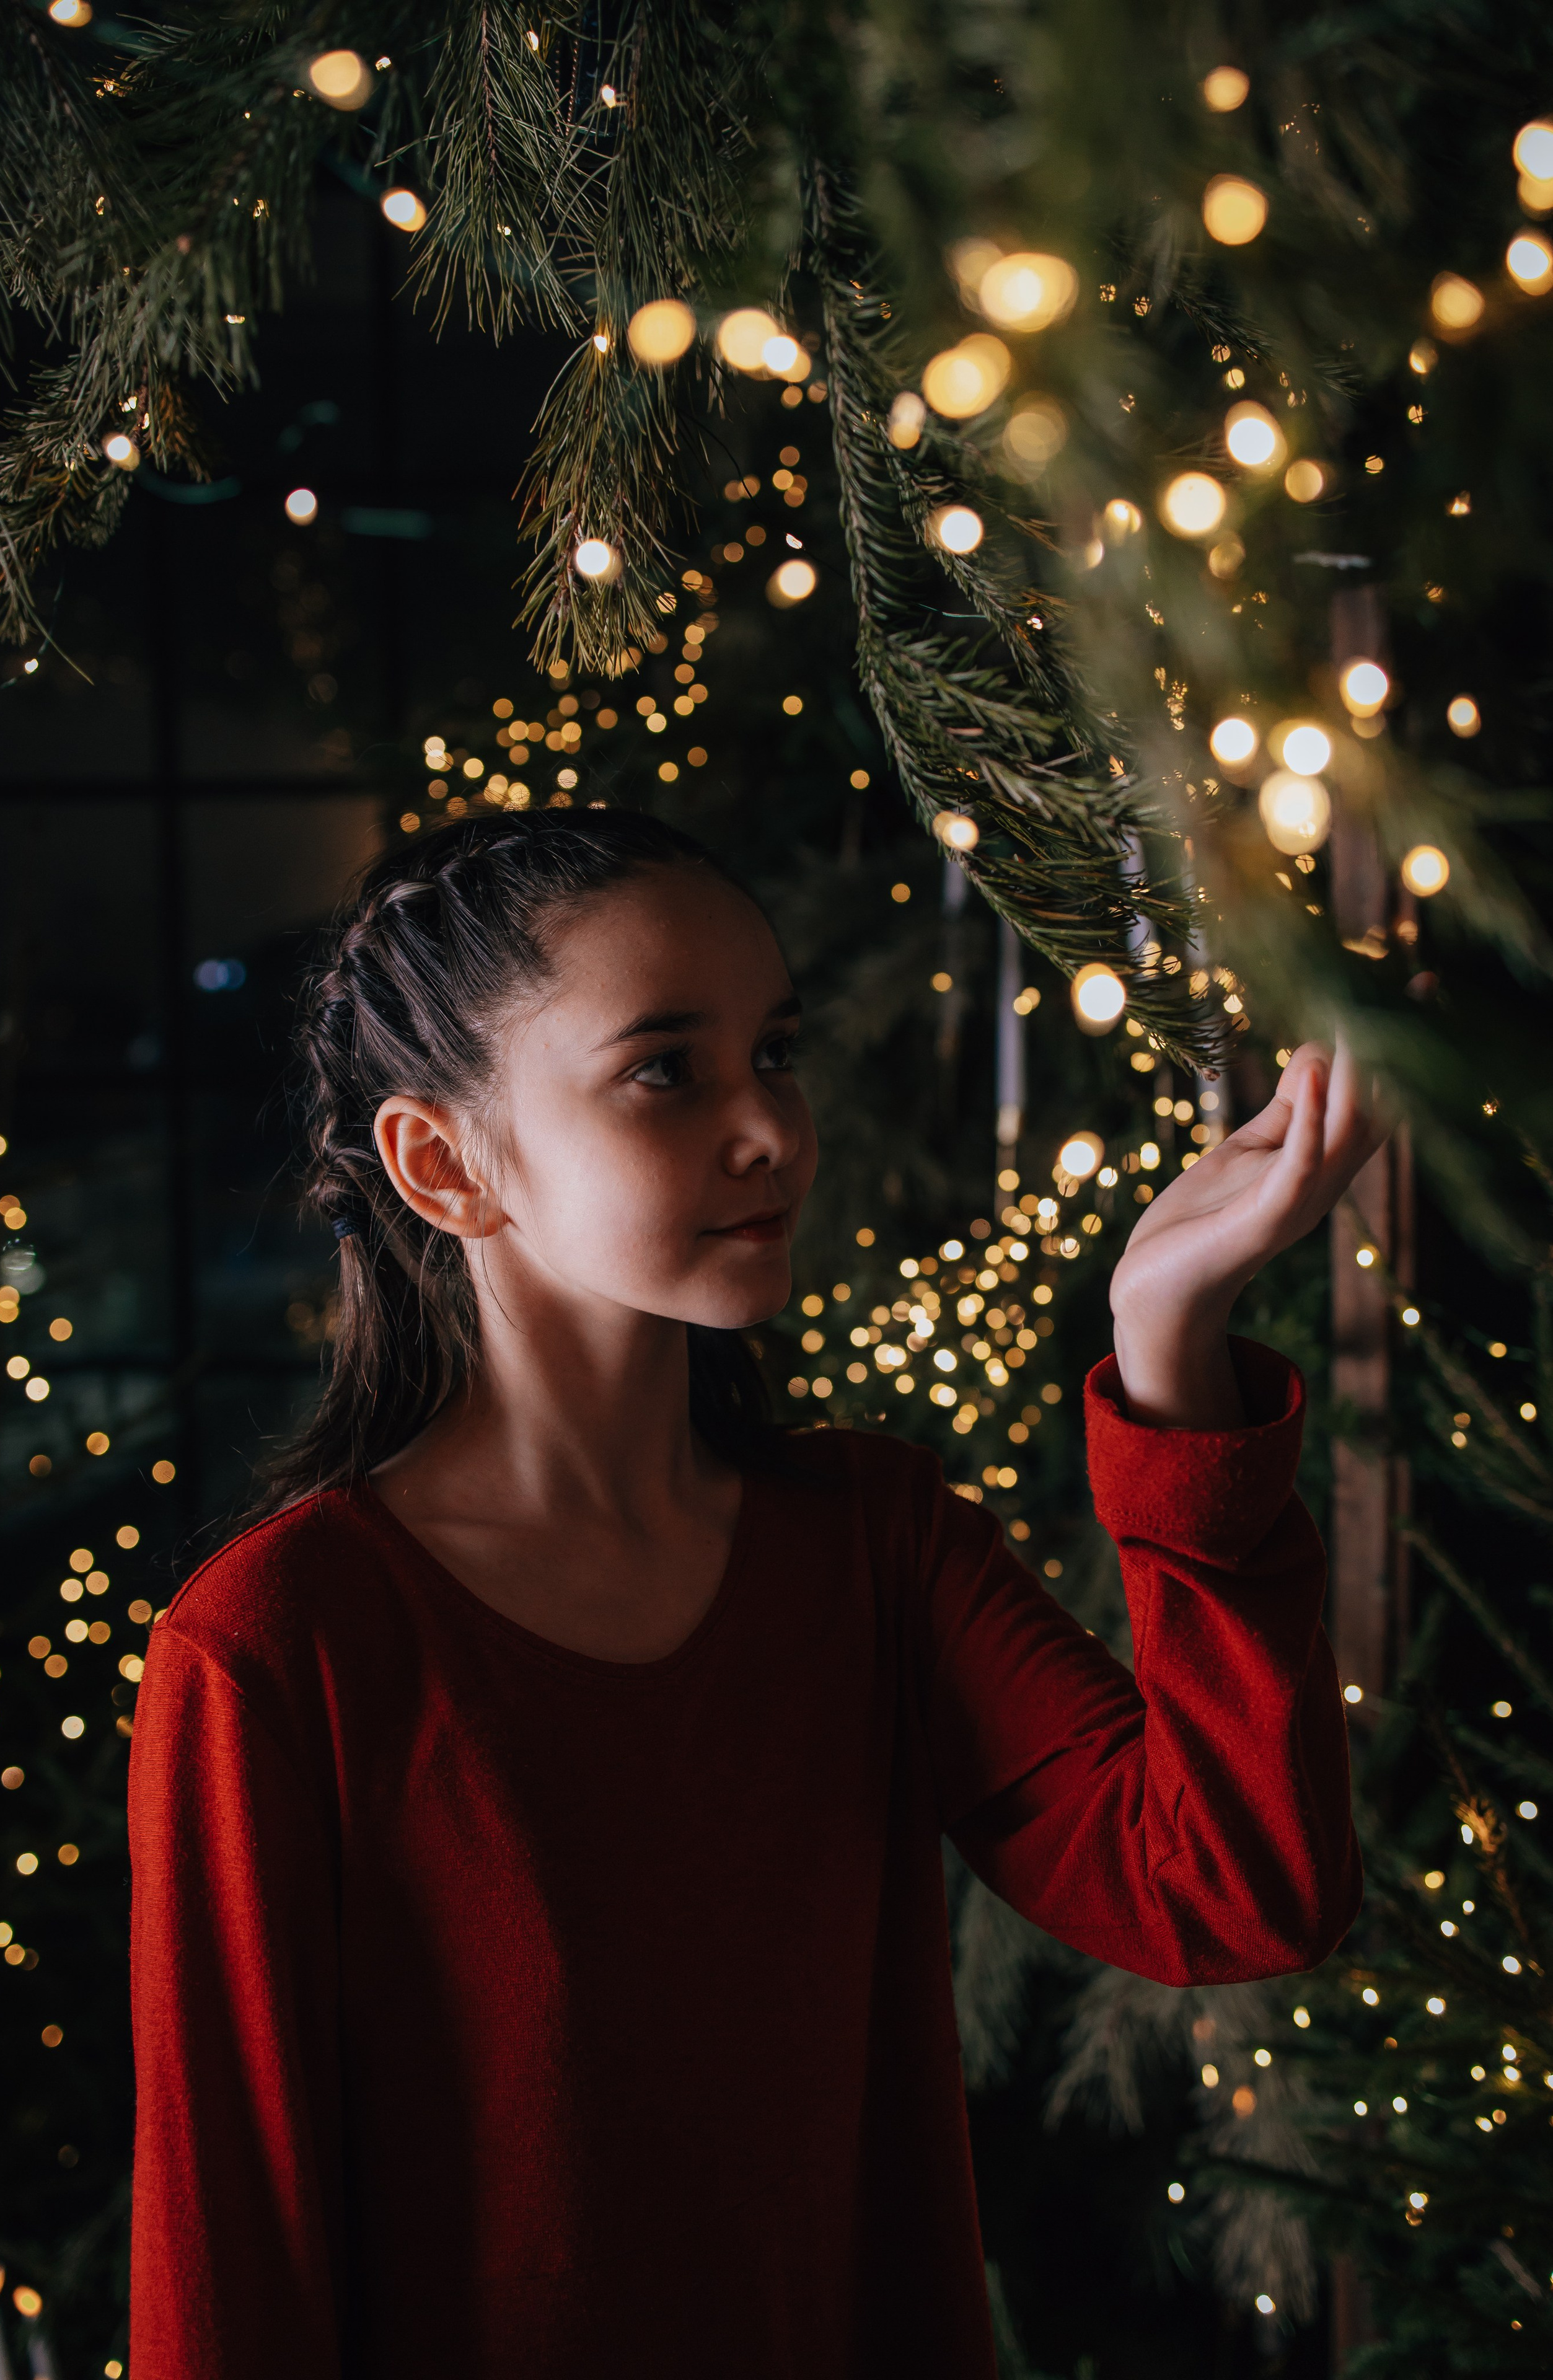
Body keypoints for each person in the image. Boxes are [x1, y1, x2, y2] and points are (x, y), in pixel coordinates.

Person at [128, 811, 1373, 2378]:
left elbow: (1236, 1885)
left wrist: (1170, 1352)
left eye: (772, 1051)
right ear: (441, 1162)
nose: (769, 1127)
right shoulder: (274, 1649)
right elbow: (228, 2282)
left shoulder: (870, 1544)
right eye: (666, 1068)